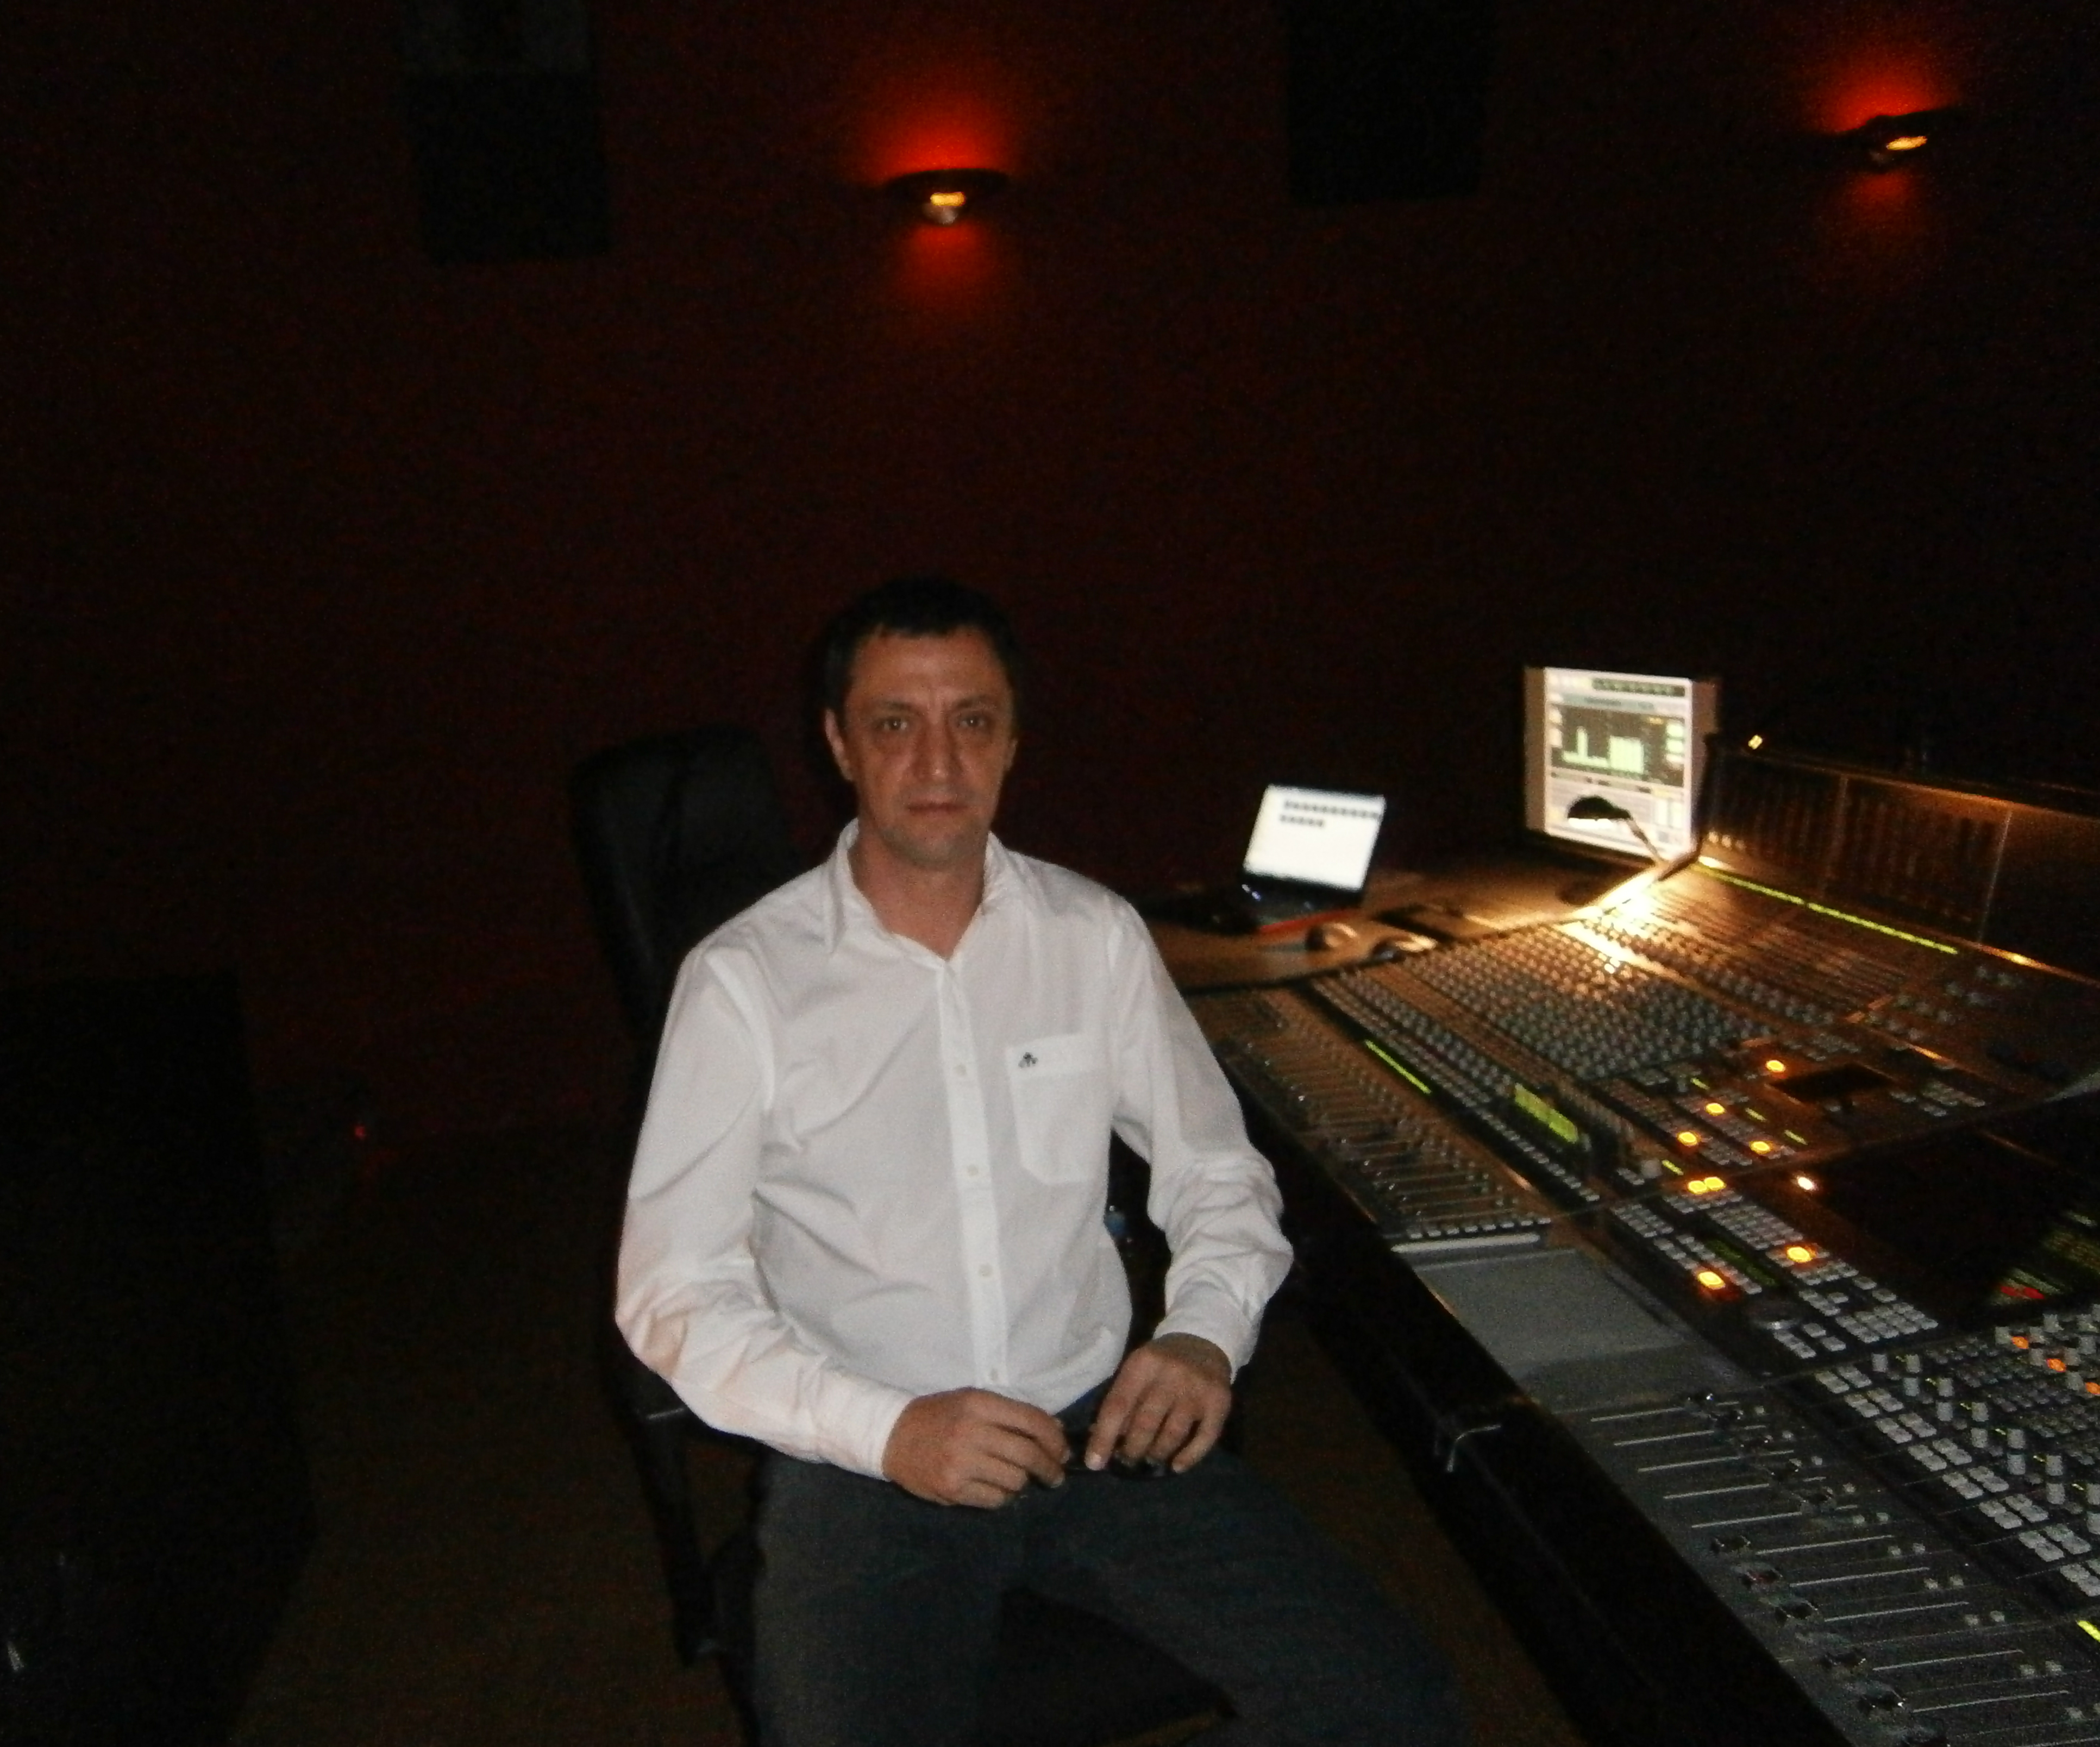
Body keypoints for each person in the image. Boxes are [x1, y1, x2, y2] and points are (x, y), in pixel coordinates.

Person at [615, 577, 1467, 1746]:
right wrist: (887, 1430)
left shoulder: (1092, 936)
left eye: (971, 720)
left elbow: (1218, 1174)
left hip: (1094, 1430)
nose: (936, 761)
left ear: (1013, 742)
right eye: (894, 722)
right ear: (839, 747)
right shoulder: (743, 980)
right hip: (865, 1457)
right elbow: (672, 1291)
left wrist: (1200, 1333)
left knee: (1391, 1707)